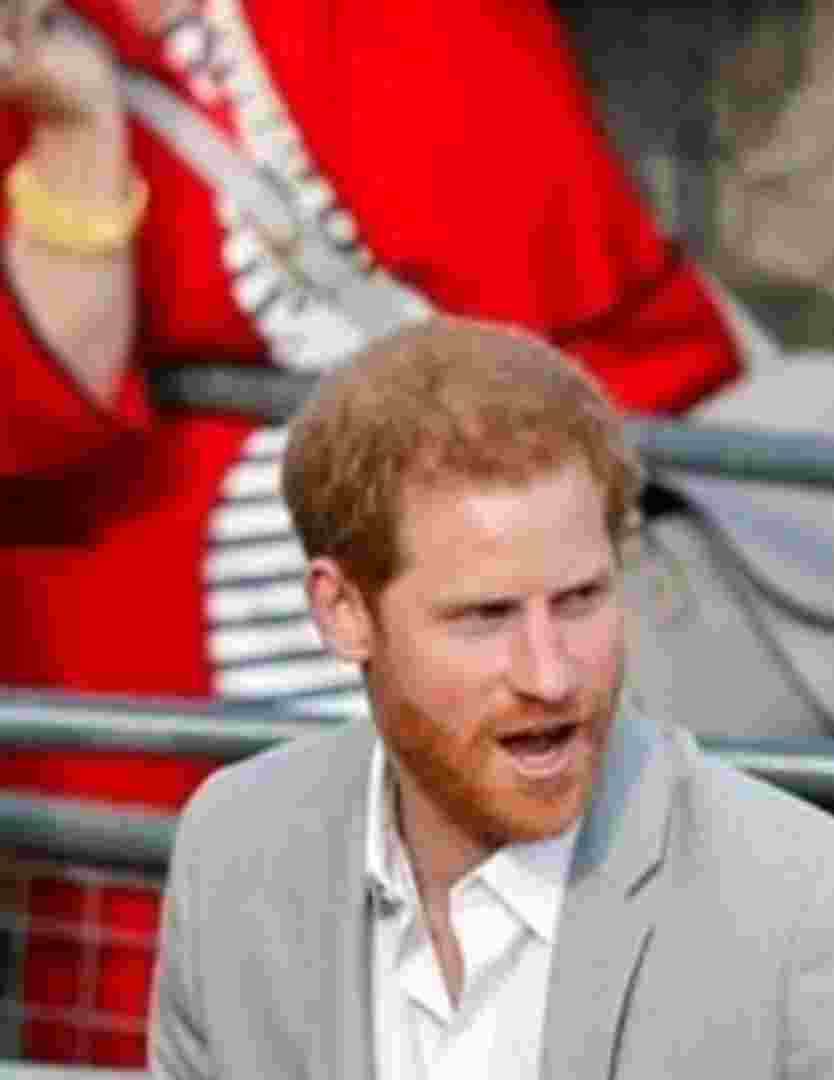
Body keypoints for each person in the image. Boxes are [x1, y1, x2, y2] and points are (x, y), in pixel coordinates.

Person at [0, 0, 739, 1063]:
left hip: (495, 597)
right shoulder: (44, 46)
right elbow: (45, 406)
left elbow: (578, 273)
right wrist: (76, 123)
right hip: (193, 668)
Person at [146, 316, 834, 1079]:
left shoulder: (826, 917)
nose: (551, 674)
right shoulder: (237, 850)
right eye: (485, 617)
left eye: (581, 600)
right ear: (343, 613)